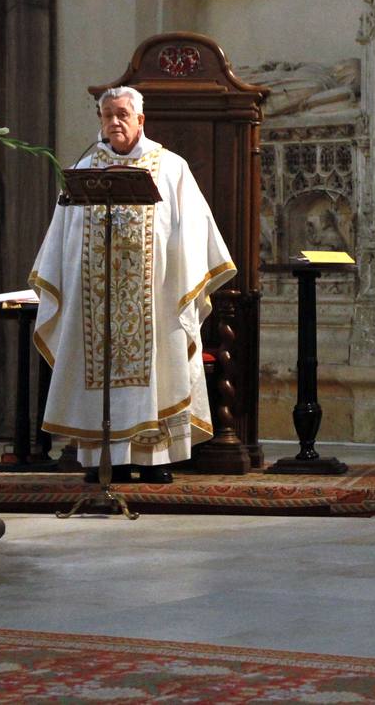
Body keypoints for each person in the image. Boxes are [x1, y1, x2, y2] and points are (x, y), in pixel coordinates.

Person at [29, 86, 235, 484]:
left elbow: (192, 231)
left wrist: (182, 278)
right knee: (99, 371)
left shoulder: (171, 167)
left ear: (141, 119)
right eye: (107, 115)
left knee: (159, 367)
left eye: (122, 114)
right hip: (94, 302)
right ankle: (107, 459)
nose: (114, 122)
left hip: (154, 297)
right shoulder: (86, 168)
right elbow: (63, 235)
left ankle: (154, 460)